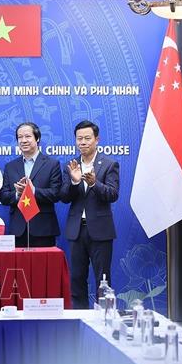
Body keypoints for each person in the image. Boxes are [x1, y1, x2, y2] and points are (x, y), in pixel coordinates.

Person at [60, 120, 119, 309]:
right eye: (79, 139)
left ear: (97, 140)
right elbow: (64, 197)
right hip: (76, 232)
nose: (83, 142)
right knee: (77, 278)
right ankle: (81, 318)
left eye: (87, 138)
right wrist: (75, 182)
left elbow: (112, 194)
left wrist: (94, 183)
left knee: (102, 278)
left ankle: (104, 318)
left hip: (100, 231)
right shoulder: (71, 166)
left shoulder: (109, 165)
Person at [0, 122, 62, 247]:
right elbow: (3, 196)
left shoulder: (51, 164)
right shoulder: (10, 166)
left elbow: (56, 194)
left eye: (27, 136)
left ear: (37, 138)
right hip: (18, 230)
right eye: (20, 137)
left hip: (43, 229)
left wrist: (33, 191)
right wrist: (17, 194)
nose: (23, 140)